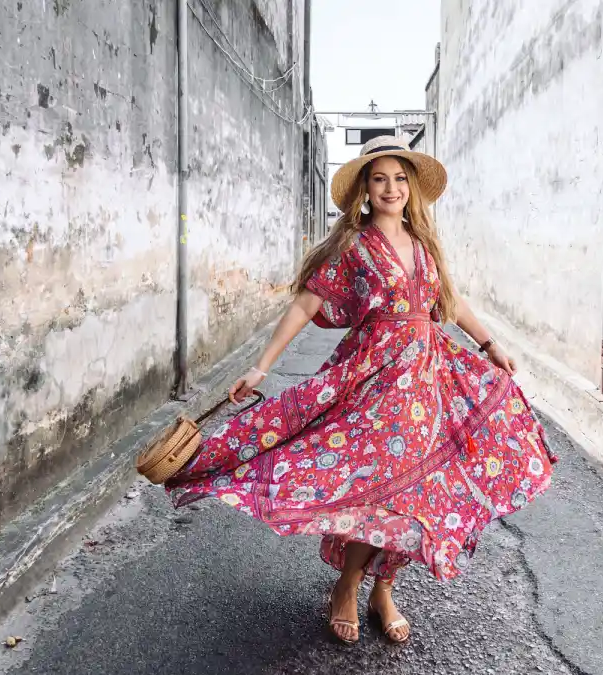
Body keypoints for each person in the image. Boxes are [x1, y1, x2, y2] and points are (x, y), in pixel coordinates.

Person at [165, 136, 558, 645]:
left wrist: (490, 345)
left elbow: (450, 301)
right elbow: (306, 304)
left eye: (399, 179)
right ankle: (348, 586)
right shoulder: (354, 246)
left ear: (411, 187)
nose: (391, 188)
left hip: (427, 381)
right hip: (375, 378)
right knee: (377, 483)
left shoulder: (424, 243)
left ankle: (383, 591)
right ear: (366, 191)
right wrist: (261, 368)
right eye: (380, 179)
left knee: (415, 489)